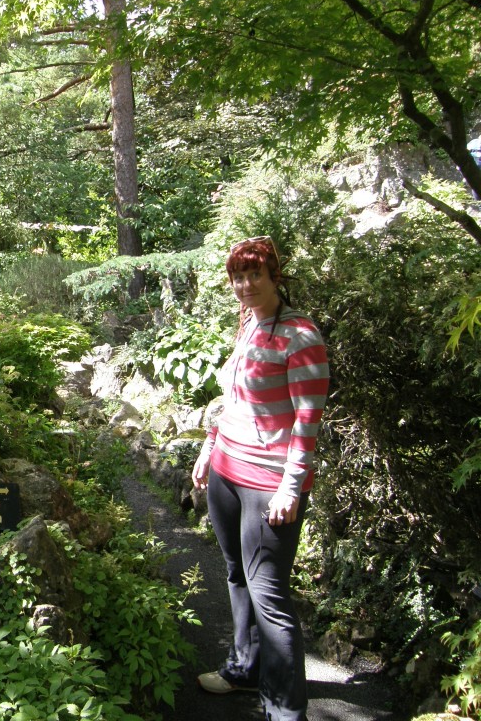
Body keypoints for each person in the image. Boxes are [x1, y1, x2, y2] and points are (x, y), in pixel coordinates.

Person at [190, 235, 330, 721]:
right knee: (235, 574)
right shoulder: (247, 325)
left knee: (269, 594)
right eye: (239, 277)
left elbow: (307, 422)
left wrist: (291, 486)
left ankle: (286, 710)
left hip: (267, 484)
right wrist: (209, 447)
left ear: (275, 277)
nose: (246, 285)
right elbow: (234, 400)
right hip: (227, 471)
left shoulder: (300, 335)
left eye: (255, 275)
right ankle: (244, 668)